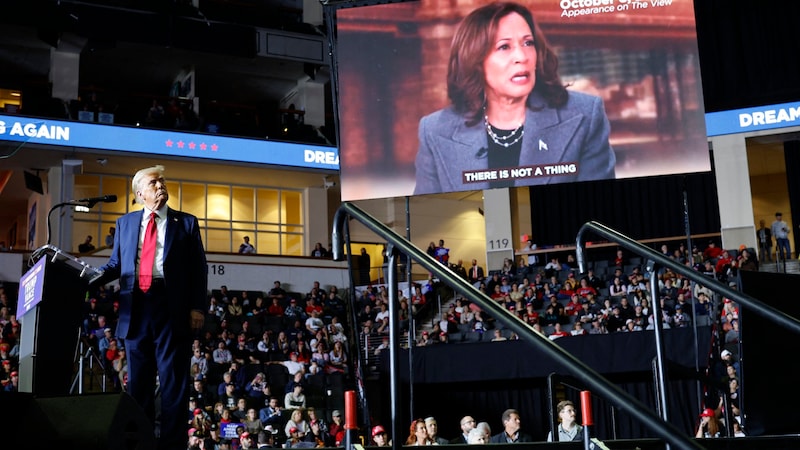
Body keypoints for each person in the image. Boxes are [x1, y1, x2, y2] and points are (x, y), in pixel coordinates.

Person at [413, 2, 615, 194]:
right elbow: (428, 219)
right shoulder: (434, 130)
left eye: (528, 43)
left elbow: (598, 212)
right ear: (475, 59)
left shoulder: (585, 115)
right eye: (504, 47)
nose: (522, 56)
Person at [94, 164, 207, 450]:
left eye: (163, 182)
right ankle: (139, 444)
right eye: (154, 183)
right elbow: (115, 265)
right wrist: (86, 278)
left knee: (173, 386)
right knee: (138, 387)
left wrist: (197, 307)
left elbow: (198, 269)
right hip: (136, 307)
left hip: (172, 306)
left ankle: (172, 446)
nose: (161, 186)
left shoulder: (188, 223)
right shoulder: (126, 223)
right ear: (140, 193)